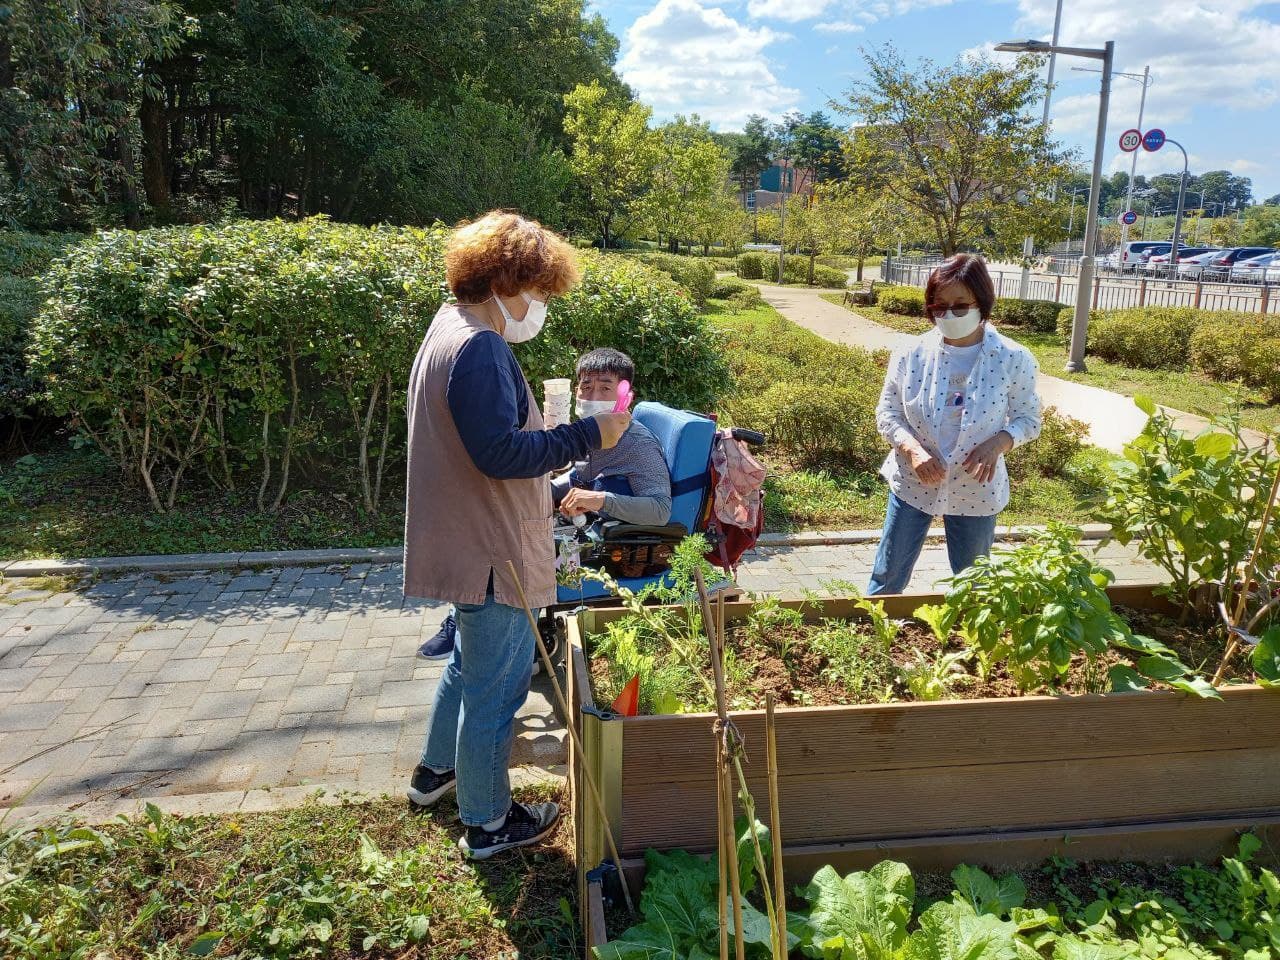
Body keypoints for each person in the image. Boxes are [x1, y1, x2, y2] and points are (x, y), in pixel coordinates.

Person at [402, 211, 631, 859]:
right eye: (538, 291)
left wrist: (549, 483)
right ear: (506, 280)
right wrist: (592, 434)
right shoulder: (480, 347)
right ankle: (488, 821)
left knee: (466, 663)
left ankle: (434, 773)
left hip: (469, 536)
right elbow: (499, 455)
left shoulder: (448, 328)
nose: (540, 307)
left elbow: (478, 448)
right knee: (495, 688)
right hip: (490, 550)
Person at [417, 348, 671, 660]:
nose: (592, 395)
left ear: (625, 396)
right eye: (585, 386)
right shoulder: (597, 434)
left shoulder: (637, 444)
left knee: (513, 548)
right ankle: (465, 620)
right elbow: (577, 477)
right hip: (581, 526)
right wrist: (538, 493)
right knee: (500, 526)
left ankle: (478, 631)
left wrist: (599, 499)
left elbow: (660, 510)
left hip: (609, 543)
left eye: (605, 388)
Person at [867, 253, 1041, 596]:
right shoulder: (910, 352)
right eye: (939, 307)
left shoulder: (1013, 358)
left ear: (983, 302)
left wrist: (1000, 442)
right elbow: (887, 413)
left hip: (975, 486)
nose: (949, 315)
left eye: (961, 306)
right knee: (887, 575)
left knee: (974, 583)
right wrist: (912, 450)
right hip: (914, 479)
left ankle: (972, 641)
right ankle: (876, 630)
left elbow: (1029, 418)